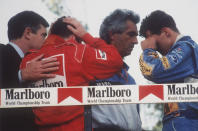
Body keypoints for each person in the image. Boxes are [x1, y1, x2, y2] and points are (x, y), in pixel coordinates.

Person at [21, 16, 123, 131]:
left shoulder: (28, 60)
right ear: (74, 35)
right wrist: (85, 35)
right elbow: (116, 61)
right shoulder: (79, 52)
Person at [139, 10, 198, 131]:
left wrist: (148, 50)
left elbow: (155, 70)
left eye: (155, 42)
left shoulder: (186, 48)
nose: (156, 49)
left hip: (186, 122)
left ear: (166, 32)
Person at [0, 11, 59, 131]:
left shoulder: (36, 60)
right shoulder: (2, 52)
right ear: (28, 33)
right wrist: (21, 75)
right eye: (43, 35)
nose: (45, 40)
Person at [87, 9, 142, 131]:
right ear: (112, 35)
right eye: (131, 34)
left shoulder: (130, 79)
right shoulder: (89, 68)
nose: (136, 41)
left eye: (136, 36)